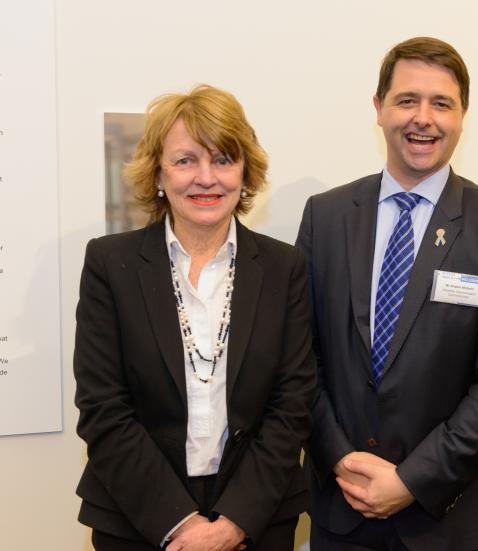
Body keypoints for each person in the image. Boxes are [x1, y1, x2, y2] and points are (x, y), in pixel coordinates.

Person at [297, 37, 478, 550]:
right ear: (379, 108)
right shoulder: (325, 216)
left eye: (441, 103)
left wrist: (412, 480)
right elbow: (300, 358)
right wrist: (337, 457)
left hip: (448, 519)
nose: (422, 119)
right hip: (342, 508)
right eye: (407, 100)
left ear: (462, 115)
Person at [74, 84, 315, 551]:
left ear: (245, 173)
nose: (206, 178)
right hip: (137, 514)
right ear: (159, 174)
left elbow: (293, 403)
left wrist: (235, 522)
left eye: (223, 159)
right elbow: (103, 408)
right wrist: (180, 525)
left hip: (257, 519)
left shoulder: (286, 268)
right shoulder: (110, 264)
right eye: (185, 160)